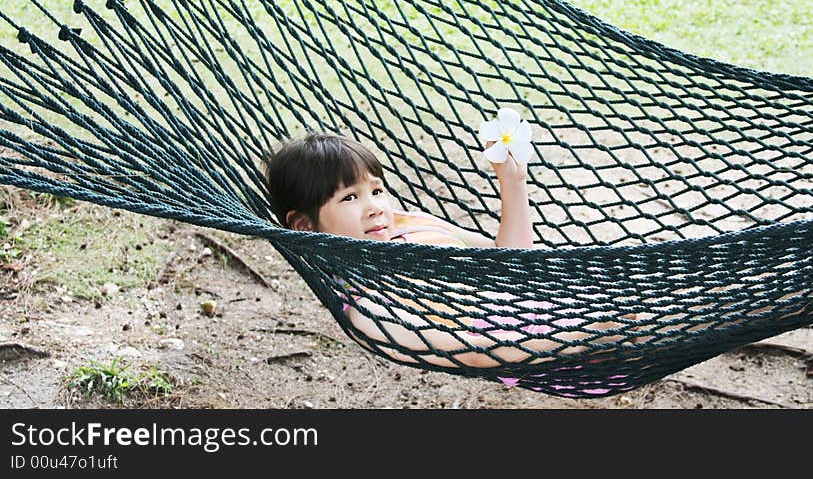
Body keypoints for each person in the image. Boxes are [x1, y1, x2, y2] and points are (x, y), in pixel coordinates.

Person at [263, 131, 640, 372]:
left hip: (564, 296)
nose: (376, 206)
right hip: (569, 346)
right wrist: (596, 328)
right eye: (350, 198)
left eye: (377, 190)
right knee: (673, 316)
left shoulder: (409, 224)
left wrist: (512, 180)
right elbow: (486, 352)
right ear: (304, 226)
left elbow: (511, 263)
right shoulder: (367, 305)